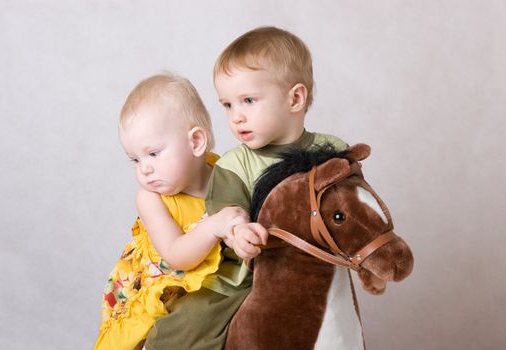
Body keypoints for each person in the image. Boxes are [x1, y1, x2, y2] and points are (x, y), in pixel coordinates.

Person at [145, 26, 364, 350]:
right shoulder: (234, 165)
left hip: (318, 258)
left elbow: (352, 206)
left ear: (295, 98)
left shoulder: (332, 149)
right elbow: (228, 212)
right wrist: (238, 234)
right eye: (228, 105)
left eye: (248, 101)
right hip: (252, 270)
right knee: (190, 324)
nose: (237, 117)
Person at [94, 74, 247, 350]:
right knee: (176, 336)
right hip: (164, 291)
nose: (144, 168)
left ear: (196, 142)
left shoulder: (225, 174)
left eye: (153, 154)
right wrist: (214, 225)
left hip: (215, 286)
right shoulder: (151, 199)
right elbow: (178, 256)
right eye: (135, 159)